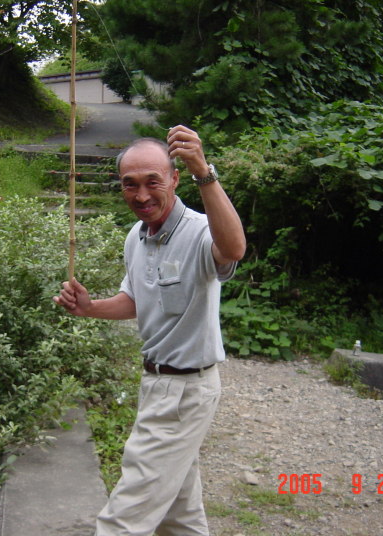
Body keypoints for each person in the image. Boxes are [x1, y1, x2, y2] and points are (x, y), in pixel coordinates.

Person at [53, 125, 245, 536]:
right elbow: (137, 301)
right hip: (155, 384)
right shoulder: (136, 238)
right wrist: (90, 308)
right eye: (130, 184)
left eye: (152, 182)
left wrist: (203, 171)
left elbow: (232, 250)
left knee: (125, 516)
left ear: (175, 179)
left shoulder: (199, 231)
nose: (141, 195)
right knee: (179, 515)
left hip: (186, 391)